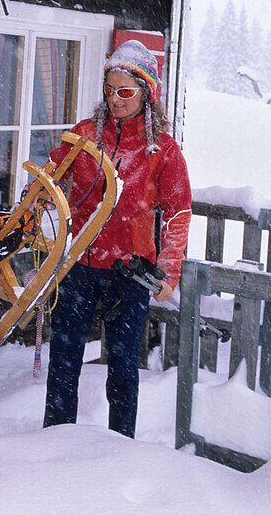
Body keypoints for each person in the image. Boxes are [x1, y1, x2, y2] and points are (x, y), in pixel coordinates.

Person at [43, 39, 191, 437]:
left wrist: (168, 270)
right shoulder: (85, 135)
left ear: (147, 93)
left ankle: (120, 448)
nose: (115, 100)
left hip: (129, 272)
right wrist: (29, 210)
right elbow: (50, 180)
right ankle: (51, 444)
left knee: (123, 369)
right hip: (79, 264)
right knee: (64, 360)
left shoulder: (162, 150)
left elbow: (177, 213)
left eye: (125, 92)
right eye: (110, 90)